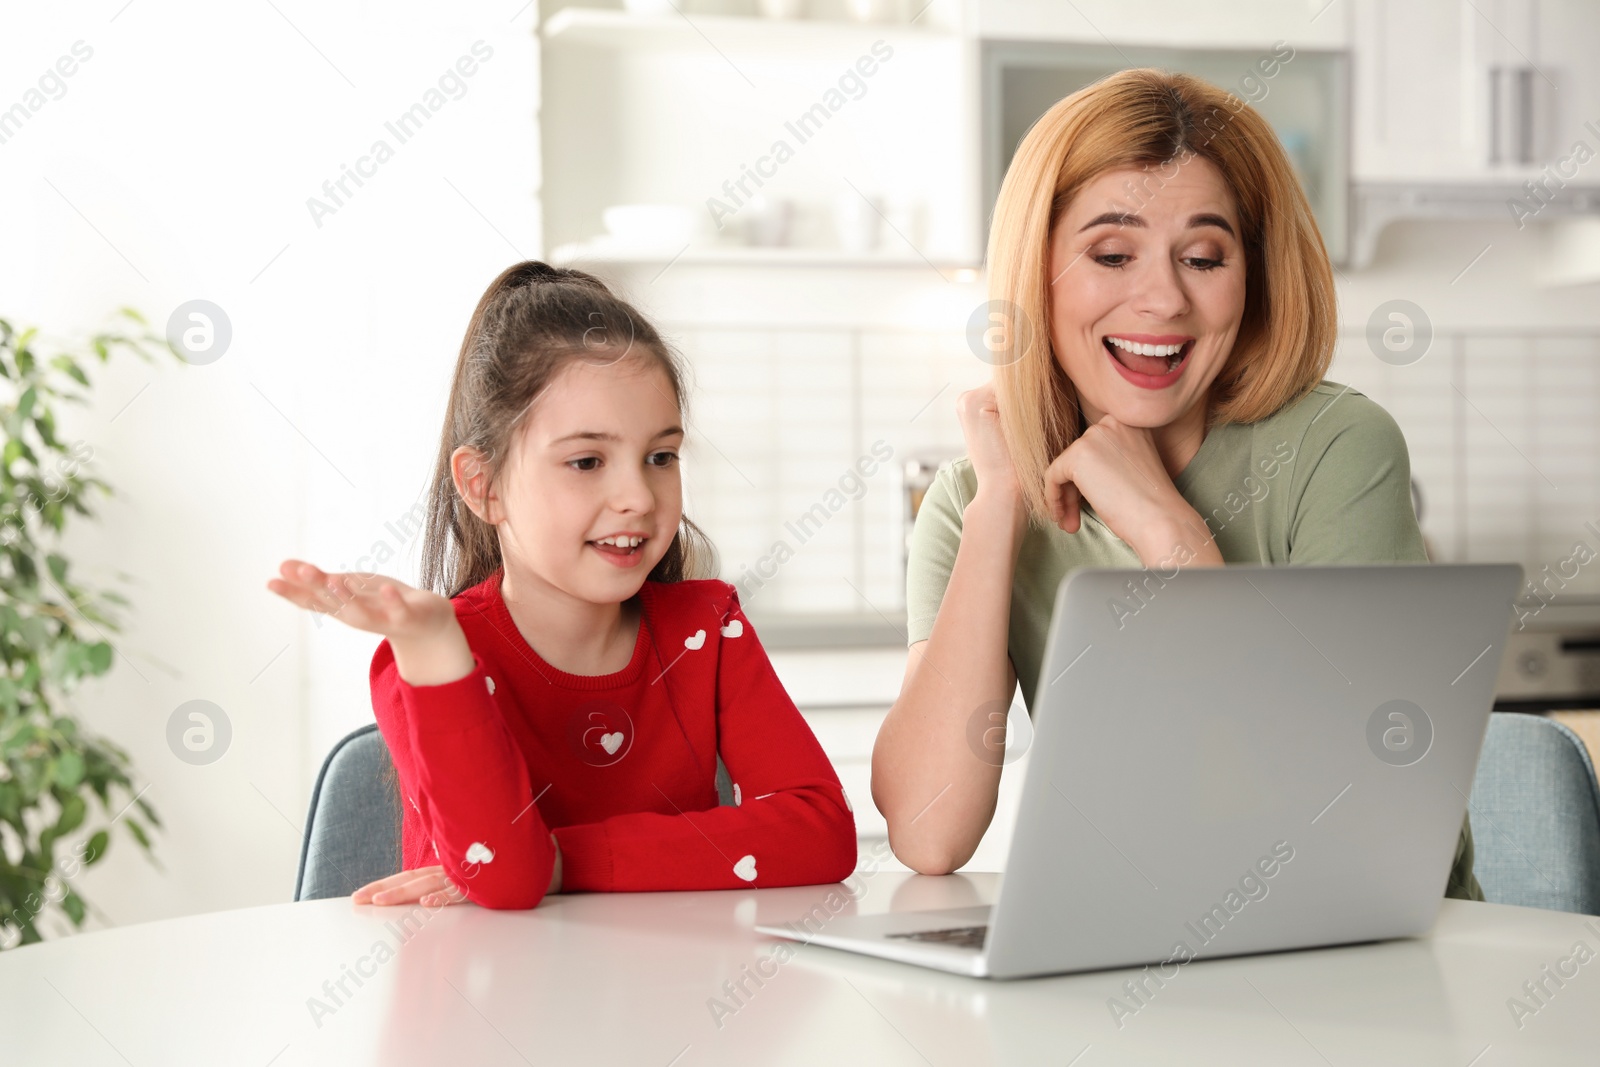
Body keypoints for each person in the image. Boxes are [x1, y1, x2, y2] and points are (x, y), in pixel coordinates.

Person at [871, 68, 1483, 900]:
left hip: (1371, 955)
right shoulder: (977, 500)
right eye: (1112, 253)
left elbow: (1367, 822)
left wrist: (1173, 535)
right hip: (1143, 962)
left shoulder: (1337, 450)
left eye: (1202, 256)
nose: (1162, 298)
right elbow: (927, 830)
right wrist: (1001, 506)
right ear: (1036, 269)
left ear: (1251, 277)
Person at [268, 261, 856, 909]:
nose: (637, 496)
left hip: (677, 992)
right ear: (482, 486)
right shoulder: (430, 653)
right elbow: (507, 878)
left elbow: (822, 833)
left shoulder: (707, 626)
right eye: (586, 461)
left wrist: (563, 857)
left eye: (660, 456)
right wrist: (434, 639)